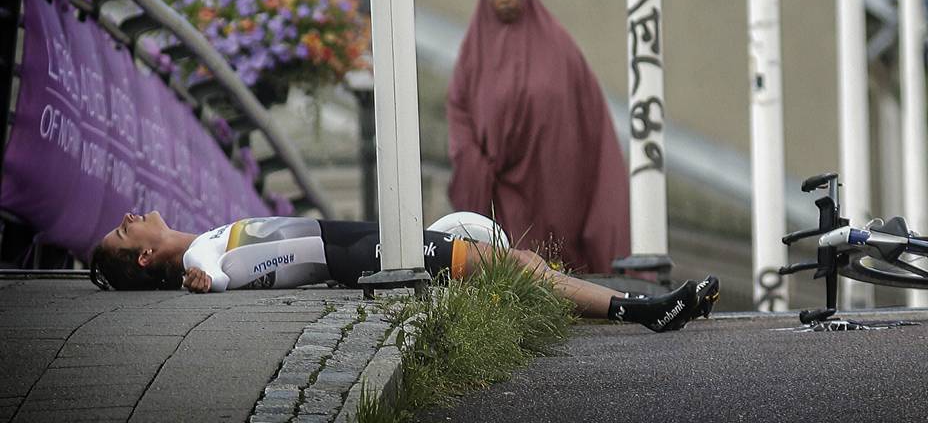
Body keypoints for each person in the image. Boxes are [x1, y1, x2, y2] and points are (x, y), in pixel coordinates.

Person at [89, 211, 718, 333]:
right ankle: (641, 309)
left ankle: (638, 305)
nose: (128, 215)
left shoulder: (203, 236)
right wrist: (202, 282)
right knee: (514, 268)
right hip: (362, 256)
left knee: (518, 263)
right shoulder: (199, 255)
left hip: (359, 238)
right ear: (146, 257)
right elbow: (211, 278)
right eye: (124, 231)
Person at [447, 0, 630, 274]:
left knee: (556, 255)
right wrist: (475, 161)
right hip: (499, 186)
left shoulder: (559, 46)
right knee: (509, 259)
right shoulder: (474, 54)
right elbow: (459, 111)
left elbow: (585, 113)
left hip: (552, 178)